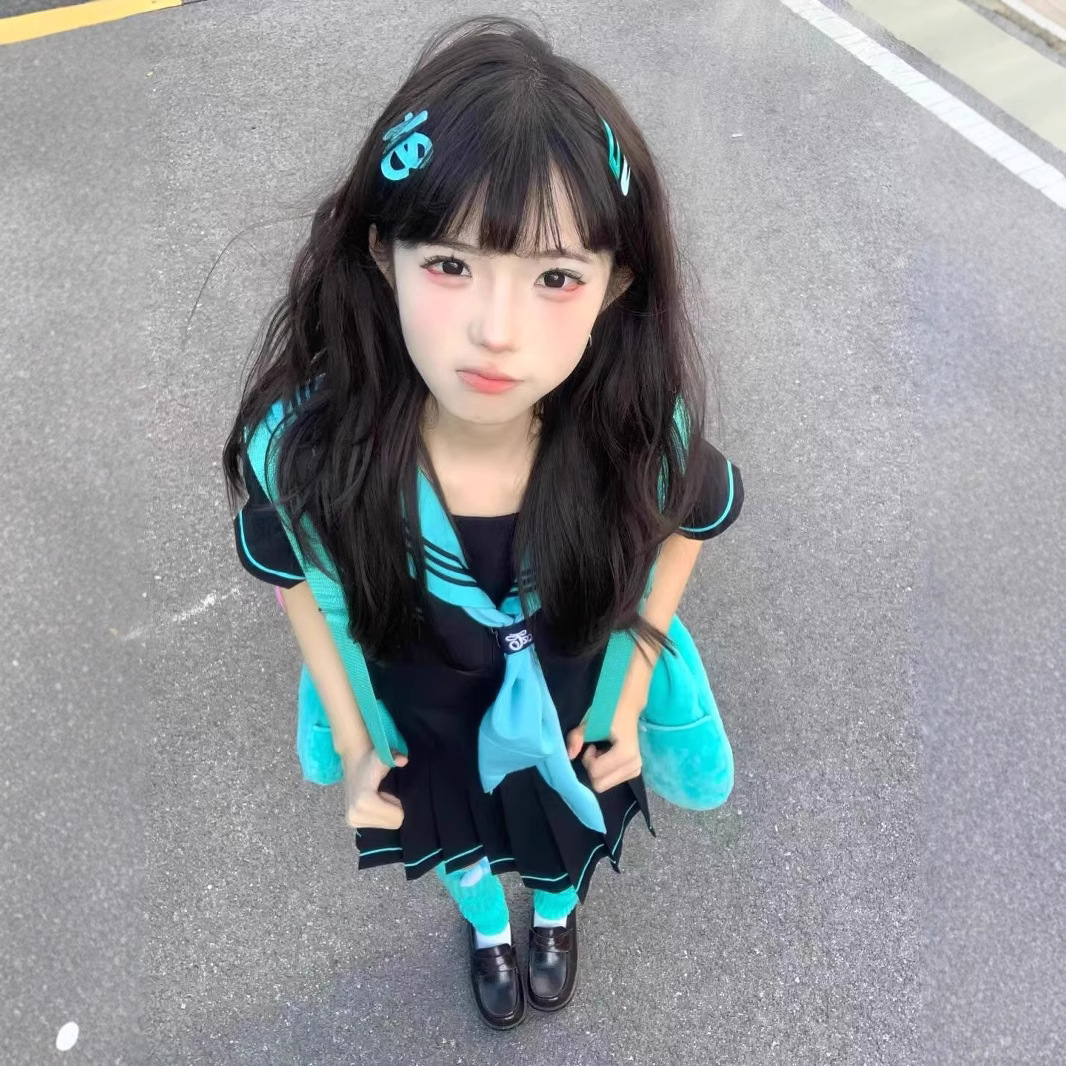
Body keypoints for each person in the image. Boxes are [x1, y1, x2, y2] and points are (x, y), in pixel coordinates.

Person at [221, 14, 744, 1031]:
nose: (496, 331)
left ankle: (552, 914)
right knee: (457, 840)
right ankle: (490, 927)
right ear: (382, 252)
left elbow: (690, 523)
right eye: (451, 264)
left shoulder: (632, 431)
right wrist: (354, 736)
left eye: (555, 277)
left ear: (615, 285)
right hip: (421, 713)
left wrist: (631, 690)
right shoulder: (317, 450)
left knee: (558, 829)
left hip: (575, 699)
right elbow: (303, 586)